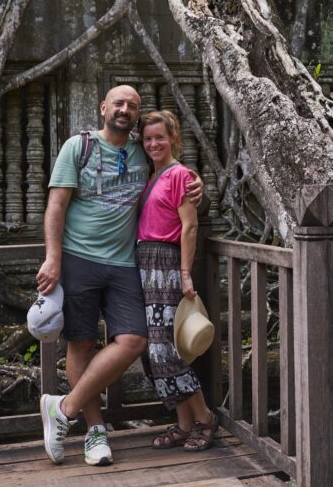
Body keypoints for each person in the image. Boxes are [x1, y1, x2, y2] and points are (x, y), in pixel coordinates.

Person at [36, 85, 201, 467]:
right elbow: (56, 205)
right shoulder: (77, 147)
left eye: (132, 105)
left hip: (126, 263)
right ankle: (95, 431)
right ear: (104, 107)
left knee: (134, 339)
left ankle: (62, 408)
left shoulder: (141, 151)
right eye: (119, 103)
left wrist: (197, 186)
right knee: (81, 343)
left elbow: (171, 175)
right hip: (79, 259)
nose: (125, 109)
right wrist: (52, 257)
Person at [135, 110, 218, 452]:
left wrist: (184, 272)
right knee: (155, 352)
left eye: (160, 137)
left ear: (174, 139)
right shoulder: (152, 176)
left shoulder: (180, 175)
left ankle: (205, 419)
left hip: (167, 264)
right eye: (148, 138)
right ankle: (184, 423)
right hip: (145, 264)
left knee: (166, 350)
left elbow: (191, 226)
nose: (154, 143)